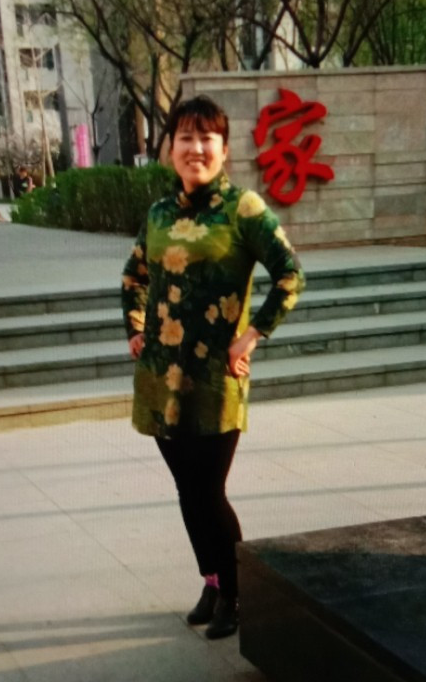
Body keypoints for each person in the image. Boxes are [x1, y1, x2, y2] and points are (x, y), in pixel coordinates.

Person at [121, 95, 305, 640]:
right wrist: (136, 328)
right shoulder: (159, 213)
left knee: (209, 492)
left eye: (207, 138)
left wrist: (253, 334)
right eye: (185, 137)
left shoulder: (243, 208)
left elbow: (290, 274)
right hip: (162, 379)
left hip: (215, 381)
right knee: (187, 490)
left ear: (224, 149)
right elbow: (134, 276)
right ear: (169, 149)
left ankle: (237, 592)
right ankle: (213, 580)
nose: (195, 148)